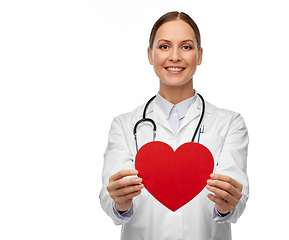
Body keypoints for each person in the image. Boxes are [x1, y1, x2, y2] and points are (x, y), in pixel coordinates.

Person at [99, 11, 249, 240]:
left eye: (187, 47)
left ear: (199, 56)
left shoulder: (229, 123)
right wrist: (120, 203)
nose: (175, 56)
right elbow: (111, 203)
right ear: (150, 55)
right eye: (165, 46)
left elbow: (234, 203)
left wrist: (226, 205)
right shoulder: (124, 125)